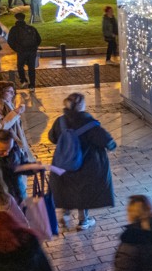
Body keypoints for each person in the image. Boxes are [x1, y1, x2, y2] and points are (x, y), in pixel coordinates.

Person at [48, 93, 117, 231]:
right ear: (81, 105)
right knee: (82, 191)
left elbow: (52, 137)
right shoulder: (88, 123)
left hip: (64, 163)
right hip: (85, 164)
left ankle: (65, 214)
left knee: (66, 188)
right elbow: (105, 140)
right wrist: (111, 145)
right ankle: (83, 220)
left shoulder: (60, 121)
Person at [0, 81, 34, 161]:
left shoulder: (7, 103)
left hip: (12, 140)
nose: (12, 94)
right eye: (9, 91)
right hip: (6, 142)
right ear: (0, 92)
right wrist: (16, 112)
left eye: (13, 92)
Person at [6, 13, 41, 90]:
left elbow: (10, 41)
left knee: (20, 66)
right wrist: (34, 47)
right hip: (32, 51)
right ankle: (32, 85)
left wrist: (16, 49)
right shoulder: (31, 28)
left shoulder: (14, 29)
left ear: (16, 19)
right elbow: (38, 39)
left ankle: (23, 80)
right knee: (31, 68)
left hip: (21, 51)